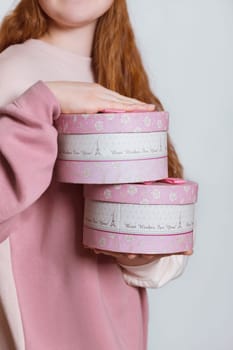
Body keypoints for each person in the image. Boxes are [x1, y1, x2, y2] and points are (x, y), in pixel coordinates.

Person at [0, 0, 192, 349]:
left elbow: (161, 236)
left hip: (115, 328)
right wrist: (47, 101)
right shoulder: (9, 71)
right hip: (39, 329)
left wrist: (144, 256)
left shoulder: (120, 74)